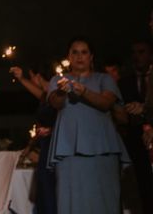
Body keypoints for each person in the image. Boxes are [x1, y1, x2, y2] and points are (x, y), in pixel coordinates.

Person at [47, 37, 129, 214]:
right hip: (69, 148)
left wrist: (83, 91)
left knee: (105, 200)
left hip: (102, 147)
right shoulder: (58, 80)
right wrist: (62, 91)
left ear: (91, 56)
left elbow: (106, 103)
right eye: (74, 52)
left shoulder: (104, 79)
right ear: (69, 56)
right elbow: (55, 103)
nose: (79, 57)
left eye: (84, 52)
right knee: (70, 201)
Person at [9, 65, 56, 214]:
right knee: (43, 185)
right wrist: (29, 147)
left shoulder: (57, 96)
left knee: (50, 186)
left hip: (54, 144)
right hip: (44, 145)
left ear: (38, 77)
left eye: (32, 77)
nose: (32, 80)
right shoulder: (45, 96)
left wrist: (51, 131)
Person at [118, 40, 153, 213]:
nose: (137, 56)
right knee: (141, 189)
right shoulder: (124, 82)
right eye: (134, 52)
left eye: (141, 52)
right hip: (134, 142)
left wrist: (144, 110)